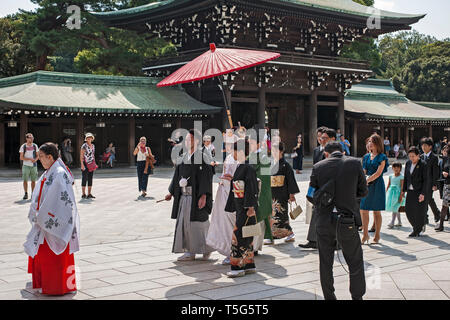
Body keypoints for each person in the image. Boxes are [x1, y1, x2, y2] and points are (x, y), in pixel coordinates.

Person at [310, 141, 368, 300]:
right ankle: (357, 296)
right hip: (346, 219)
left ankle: (329, 297)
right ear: (343, 152)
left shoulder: (318, 166)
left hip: (324, 220)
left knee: (325, 262)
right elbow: (363, 191)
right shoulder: (355, 163)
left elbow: (311, 194)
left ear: (326, 153)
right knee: (355, 261)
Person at [24, 142, 80, 295]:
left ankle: (59, 286)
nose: (39, 159)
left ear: (50, 157)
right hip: (45, 218)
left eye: (41, 157)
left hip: (55, 221)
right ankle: (47, 284)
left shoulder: (59, 172)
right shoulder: (51, 171)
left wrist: (42, 215)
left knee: (55, 257)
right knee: (46, 256)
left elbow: (60, 201)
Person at [165, 129, 214, 261]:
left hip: (196, 196)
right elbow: (177, 176)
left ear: (197, 141)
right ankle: (189, 251)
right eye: (186, 139)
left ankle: (207, 249)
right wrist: (171, 192)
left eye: (190, 139)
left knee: (200, 224)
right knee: (185, 224)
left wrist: (204, 195)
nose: (187, 142)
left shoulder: (203, 157)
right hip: (184, 196)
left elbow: (206, 177)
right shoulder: (183, 157)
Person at [224, 138, 259, 278]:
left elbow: (251, 188)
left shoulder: (248, 167)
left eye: (233, 151)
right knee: (246, 235)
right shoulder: (242, 166)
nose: (232, 154)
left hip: (245, 207)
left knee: (238, 236)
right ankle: (249, 264)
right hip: (242, 205)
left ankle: (237, 267)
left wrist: (250, 206)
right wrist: (231, 179)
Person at [299, 127, 336, 250]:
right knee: (315, 212)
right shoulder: (317, 151)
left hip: (332, 188)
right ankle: (313, 240)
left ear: (332, 139)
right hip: (319, 187)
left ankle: (335, 241)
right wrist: (311, 188)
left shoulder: (337, 152)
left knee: (333, 215)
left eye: (324, 138)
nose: (321, 139)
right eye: (321, 137)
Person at [206, 136, 240, 265]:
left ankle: (232, 251)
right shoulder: (229, 157)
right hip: (223, 191)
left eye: (229, 144)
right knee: (221, 221)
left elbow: (239, 177)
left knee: (230, 223)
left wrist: (231, 178)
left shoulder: (239, 160)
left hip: (232, 192)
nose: (227, 146)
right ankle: (227, 250)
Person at [247, 126, 273, 249]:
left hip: (259, 192)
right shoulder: (249, 156)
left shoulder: (263, 158)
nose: (249, 145)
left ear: (258, 144)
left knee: (259, 218)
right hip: (250, 191)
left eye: (251, 143)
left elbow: (265, 180)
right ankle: (251, 245)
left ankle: (255, 247)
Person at [360, 134, 388, 245]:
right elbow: (364, 170)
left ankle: (377, 234)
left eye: (372, 141)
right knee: (363, 209)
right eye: (369, 141)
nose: (369, 143)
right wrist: (362, 179)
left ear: (377, 143)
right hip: (366, 185)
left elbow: (378, 173)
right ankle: (365, 234)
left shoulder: (382, 157)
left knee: (377, 211)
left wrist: (367, 180)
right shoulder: (366, 157)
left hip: (377, 185)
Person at [270, 142, 300, 243]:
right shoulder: (271, 164)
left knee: (281, 215)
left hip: (282, 193)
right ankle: (273, 235)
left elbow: (290, 180)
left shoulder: (285, 165)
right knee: (273, 216)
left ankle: (290, 233)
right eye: (272, 151)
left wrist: (291, 194)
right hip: (272, 193)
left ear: (281, 151)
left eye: (276, 151)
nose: (274, 153)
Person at [402, 147, 428, 237]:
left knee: (418, 211)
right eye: (410, 156)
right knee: (408, 210)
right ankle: (417, 227)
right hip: (410, 190)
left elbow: (426, 180)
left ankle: (416, 229)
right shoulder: (408, 163)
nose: (411, 158)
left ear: (418, 155)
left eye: (413, 156)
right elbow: (406, 177)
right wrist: (403, 190)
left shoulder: (423, 164)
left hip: (419, 191)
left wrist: (423, 193)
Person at [420, 137, 441, 225]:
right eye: (422, 145)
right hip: (421, 183)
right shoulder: (420, 157)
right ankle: (434, 214)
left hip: (429, 182)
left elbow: (435, 172)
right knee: (427, 199)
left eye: (425, 146)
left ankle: (430, 216)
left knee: (427, 199)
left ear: (430, 147)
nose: (423, 147)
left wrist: (435, 184)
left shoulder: (434, 158)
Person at [19, 133, 39, 200]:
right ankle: (26, 193)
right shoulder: (23, 146)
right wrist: (29, 159)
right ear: (27, 138)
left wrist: (35, 160)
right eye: (30, 137)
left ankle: (33, 193)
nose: (32, 139)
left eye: (32, 137)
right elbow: (21, 158)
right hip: (26, 165)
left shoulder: (35, 146)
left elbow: (38, 155)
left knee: (33, 181)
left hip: (34, 165)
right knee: (25, 180)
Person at [386, 162, 405, 228]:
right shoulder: (391, 176)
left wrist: (401, 196)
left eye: (398, 168)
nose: (396, 169)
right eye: (395, 167)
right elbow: (389, 185)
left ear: (400, 168)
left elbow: (402, 187)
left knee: (395, 208)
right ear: (392, 168)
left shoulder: (401, 177)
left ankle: (392, 222)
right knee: (396, 208)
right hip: (392, 194)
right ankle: (399, 222)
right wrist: (386, 192)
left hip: (398, 194)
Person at [436, 143, 449, 232]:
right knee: (444, 205)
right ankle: (441, 225)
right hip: (447, 184)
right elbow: (442, 170)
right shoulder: (445, 159)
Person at [80, 133, 97, 199]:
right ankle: (83, 194)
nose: (89, 139)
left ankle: (89, 193)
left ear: (92, 139)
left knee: (90, 178)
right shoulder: (84, 146)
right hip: (85, 163)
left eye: (90, 138)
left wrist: (94, 163)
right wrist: (82, 164)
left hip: (91, 163)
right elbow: (81, 156)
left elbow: (93, 155)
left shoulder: (93, 145)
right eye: (88, 138)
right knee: (84, 178)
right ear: (86, 139)